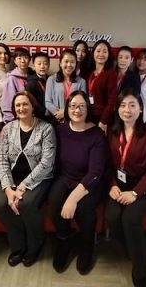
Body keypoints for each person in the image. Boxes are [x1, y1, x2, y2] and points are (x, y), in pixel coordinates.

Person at [0, 91, 56, 267]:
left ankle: (35, 243)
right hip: (10, 177)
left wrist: (22, 187)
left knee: (26, 203)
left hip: (38, 178)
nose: (21, 108)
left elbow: (47, 163)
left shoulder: (46, 128)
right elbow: (2, 159)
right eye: (18, 105)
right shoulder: (7, 129)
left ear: (33, 106)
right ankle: (17, 245)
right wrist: (8, 188)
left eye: (25, 104)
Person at [105, 89, 146, 287]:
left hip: (144, 187)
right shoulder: (112, 132)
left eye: (132, 105)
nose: (126, 110)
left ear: (140, 109)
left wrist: (136, 192)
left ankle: (140, 272)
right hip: (119, 185)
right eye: (122, 105)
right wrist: (112, 185)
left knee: (130, 219)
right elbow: (109, 165)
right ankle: (127, 250)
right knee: (111, 217)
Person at [49, 91, 107, 275]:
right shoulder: (60, 130)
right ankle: (65, 239)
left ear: (87, 109)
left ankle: (87, 244)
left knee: (83, 209)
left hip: (90, 181)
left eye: (82, 106)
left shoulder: (97, 134)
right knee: (54, 203)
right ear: (67, 108)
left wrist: (73, 198)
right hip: (65, 177)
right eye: (73, 105)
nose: (77, 109)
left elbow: (95, 173)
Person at [45, 49, 86, 124]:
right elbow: (48, 102)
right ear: (60, 63)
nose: (69, 65)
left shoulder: (81, 82)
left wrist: (66, 113)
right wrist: (59, 113)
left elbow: (83, 103)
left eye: (72, 62)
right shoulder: (51, 79)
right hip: (55, 120)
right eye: (66, 61)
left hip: (75, 120)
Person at [86, 39, 117, 133]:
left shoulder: (111, 74)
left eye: (105, 51)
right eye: (98, 51)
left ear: (109, 54)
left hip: (102, 117)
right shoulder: (90, 72)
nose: (101, 54)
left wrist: (103, 121)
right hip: (89, 115)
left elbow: (112, 100)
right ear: (93, 52)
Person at [1, 47, 33, 123]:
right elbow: (8, 103)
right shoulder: (11, 79)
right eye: (19, 58)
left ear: (29, 60)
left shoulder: (34, 76)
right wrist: (11, 121)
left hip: (32, 118)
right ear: (15, 61)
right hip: (17, 120)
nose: (23, 61)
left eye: (25, 57)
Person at [26, 52, 49, 119]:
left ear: (49, 65)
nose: (42, 66)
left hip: (52, 116)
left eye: (45, 63)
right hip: (37, 118)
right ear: (34, 66)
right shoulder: (30, 83)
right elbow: (31, 102)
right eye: (39, 64)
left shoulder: (51, 80)